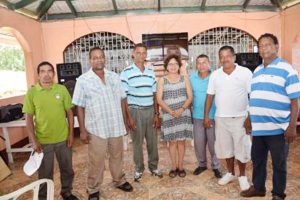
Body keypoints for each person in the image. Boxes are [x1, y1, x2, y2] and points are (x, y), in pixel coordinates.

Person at [241, 33, 300, 200]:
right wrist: (249, 117)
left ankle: (278, 194)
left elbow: (295, 101)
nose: (263, 48)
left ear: (276, 46)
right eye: (260, 45)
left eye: (267, 44)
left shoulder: (287, 69)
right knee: (257, 160)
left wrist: (292, 126)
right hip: (259, 128)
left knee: (279, 164)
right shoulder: (258, 71)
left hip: (279, 129)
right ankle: (259, 188)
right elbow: (255, 97)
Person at [72, 47, 133, 200]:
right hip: (96, 128)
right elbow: (79, 106)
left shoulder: (114, 77)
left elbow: (122, 99)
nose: (99, 59)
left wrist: (126, 120)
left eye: (101, 57)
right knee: (96, 160)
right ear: (90, 60)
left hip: (115, 125)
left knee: (117, 156)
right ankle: (93, 189)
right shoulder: (83, 80)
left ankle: (119, 180)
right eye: (95, 57)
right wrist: (82, 130)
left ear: (105, 59)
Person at [23, 61, 78, 200]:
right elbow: (28, 119)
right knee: (45, 173)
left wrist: (71, 134)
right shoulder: (32, 92)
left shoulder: (61, 89)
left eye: (49, 71)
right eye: (43, 71)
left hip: (63, 139)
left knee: (67, 169)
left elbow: (70, 113)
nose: (46, 74)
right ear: (38, 75)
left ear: (53, 74)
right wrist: (33, 141)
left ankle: (66, 192)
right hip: (43, 141)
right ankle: (44, 197)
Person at [204, 46, 252, 191]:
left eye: (228, 56)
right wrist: (206, 116)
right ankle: (231, 173)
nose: (225, 59)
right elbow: (210, 96)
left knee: (241, 148)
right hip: (221, 118)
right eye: (222, 56)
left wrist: (249, 116)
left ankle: (242, 176)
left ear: (234, 57)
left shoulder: (245, 73)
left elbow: (252, 95)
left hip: (240, 118)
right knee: (226, 149)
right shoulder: (215, 75)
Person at [120, 43, 162, 181]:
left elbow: (155, 95)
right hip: (135, 111)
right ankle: (139, 169)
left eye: (144, 53)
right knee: (137, 143)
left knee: (152, 142)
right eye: (138, 52)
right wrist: (128, 118)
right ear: (133, 54)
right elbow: (124, 97)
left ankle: (154, 166)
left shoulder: (151, 72)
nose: (141, 55)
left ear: (146, 55)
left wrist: (156, 114)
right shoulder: (126, 72)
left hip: (150, 111)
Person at [156, 54, 193, 178]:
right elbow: (159, 99)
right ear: (166, 66)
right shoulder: (162, 80)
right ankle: (173, 167)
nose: (173, 66)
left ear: (179, 66)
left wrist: (181, 109)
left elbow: (190, 97)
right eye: (170, 64)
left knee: (181, 142)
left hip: (183, 114)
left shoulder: (185, 79)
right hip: (168, 114)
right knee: (172, 142)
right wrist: (171, 111)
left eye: (175, 64)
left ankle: (181, 167)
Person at [189, 54, 222, 178]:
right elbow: (189, 96)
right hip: (197, 116)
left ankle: (216, 166)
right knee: (199, 143)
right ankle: (202, 164)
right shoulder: (192, 78)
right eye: (199, 63)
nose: (201, 65)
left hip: (213, 115)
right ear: (196, 65)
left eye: (204, 62)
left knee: (214, 143)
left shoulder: (216, 76)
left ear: (209, 63)